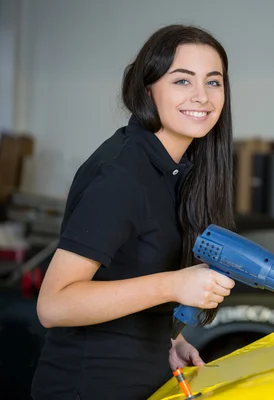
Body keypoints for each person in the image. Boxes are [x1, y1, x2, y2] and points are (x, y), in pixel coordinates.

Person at [31, 24, 237, 400]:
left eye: (213, 82)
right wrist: (172, 285)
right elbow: (53, 304)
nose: (201, 96)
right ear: (147, 89)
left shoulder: (178, 169)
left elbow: (130, 270)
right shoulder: (121, 174)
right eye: (181, 81)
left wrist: (167, 341)